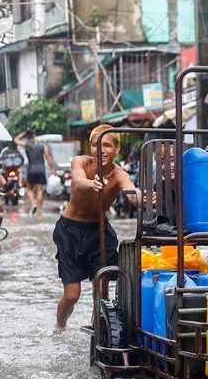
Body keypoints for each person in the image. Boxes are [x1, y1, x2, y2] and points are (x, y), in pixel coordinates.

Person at [54, 124, 138, 331]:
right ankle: (60, 326)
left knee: (101, 287)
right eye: (95, 145)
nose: (100, 150)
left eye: (107, 145)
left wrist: (143, 197)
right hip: (69, 231)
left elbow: (131, 190)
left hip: (98, 231)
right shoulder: (80, 161)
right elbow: (78, 181)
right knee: (72, 294)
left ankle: (98, 328)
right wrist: (90, 184)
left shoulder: (118, 174)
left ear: (117, 149)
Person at [16, 128, 57, 216]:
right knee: (40, 190)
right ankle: (39, 210)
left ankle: (33, 204)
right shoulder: (42, 146)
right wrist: (52, 168)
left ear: (27, 137)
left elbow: (16, 140)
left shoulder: (26, 144)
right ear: (34, 136)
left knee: (30, 189)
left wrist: (24, 133)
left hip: (31, 169)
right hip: (41, 169)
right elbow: (48, 157)